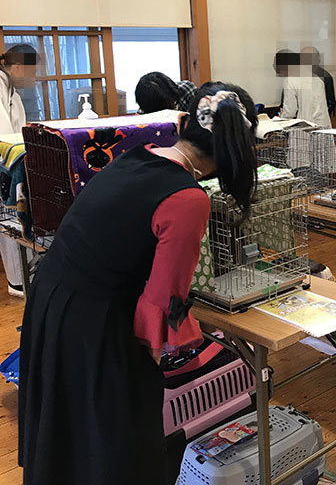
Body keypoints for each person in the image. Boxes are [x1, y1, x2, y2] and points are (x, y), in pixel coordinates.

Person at [18, 83, 258, 485]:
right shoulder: (188, 198)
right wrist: (151, 364)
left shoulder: (136, 155)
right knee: (118, 439)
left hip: (52, 297)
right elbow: (163, 301)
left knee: (62, 427)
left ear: (184, 122)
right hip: (94, 320)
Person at [0, 44, 41, 297]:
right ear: (16, 67)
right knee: (9, 220)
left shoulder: (11, 89)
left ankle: (21, 278)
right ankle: (17, 281)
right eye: (32, 72)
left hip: (9, 160)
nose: (34, 78)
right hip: (5, 162)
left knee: (14, 219)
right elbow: (5, 137)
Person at [278, 51, 332, 129]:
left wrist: (281, 119)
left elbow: (290, 112)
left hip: (305, 128)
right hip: (324, 126)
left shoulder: (290, 80)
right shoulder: (317, 79)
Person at [300, 46, 336, 117]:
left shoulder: (325, 77)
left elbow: (330, 103)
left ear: (317, 59)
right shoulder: (295, 76)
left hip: (319, 118)